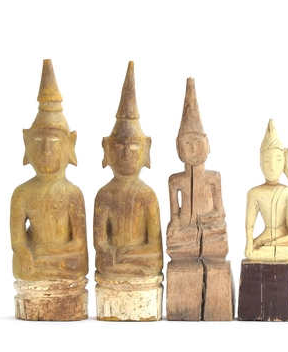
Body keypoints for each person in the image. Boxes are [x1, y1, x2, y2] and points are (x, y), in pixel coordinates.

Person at [10, 60, 88, 281]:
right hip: (37, 260)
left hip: (60, 258)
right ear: (27, 143)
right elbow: (17, 241)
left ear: (70, 145)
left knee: (77, 264)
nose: (45, 150)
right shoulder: (22, 193)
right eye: (38, 141)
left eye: (54, 141)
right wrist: (23, 252)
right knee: (19, 264)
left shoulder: (73, 193)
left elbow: (78, 244)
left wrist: (47, 251)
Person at [94, 62, 163, 277]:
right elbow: (100, 241)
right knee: (104, 263)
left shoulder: (147, 194)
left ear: (146, 149)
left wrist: (126, 254)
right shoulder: (104, 195)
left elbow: (155, 246)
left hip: (136, 257)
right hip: (116, 259)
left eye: (133, 147)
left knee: (153, 261)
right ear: (107, 148)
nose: (125, 154)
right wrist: (106, 250)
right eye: (119, 147)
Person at [166, 78, 228, 260]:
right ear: (178, 146)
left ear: (207, 144)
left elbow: (221, 212)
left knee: (219, 237)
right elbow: (174, 214)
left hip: (209, 230)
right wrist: (176, 222)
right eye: (187, 143)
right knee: (173, 239)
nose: (193, 148)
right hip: (185, 229)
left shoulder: (213, 178)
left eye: (197, 142)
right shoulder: (175, 181)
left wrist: (203, 221)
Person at [245, 119, 288, 262]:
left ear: (284, 162)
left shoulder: (287, 193)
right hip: (264, 239)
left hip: (283, 243)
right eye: (267, 161)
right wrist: (250, 243)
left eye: (278, 160)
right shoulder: (254, 193)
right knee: (250, 253)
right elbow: (250, 226)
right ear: (260, 163)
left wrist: (271, 243)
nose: (272, 167)